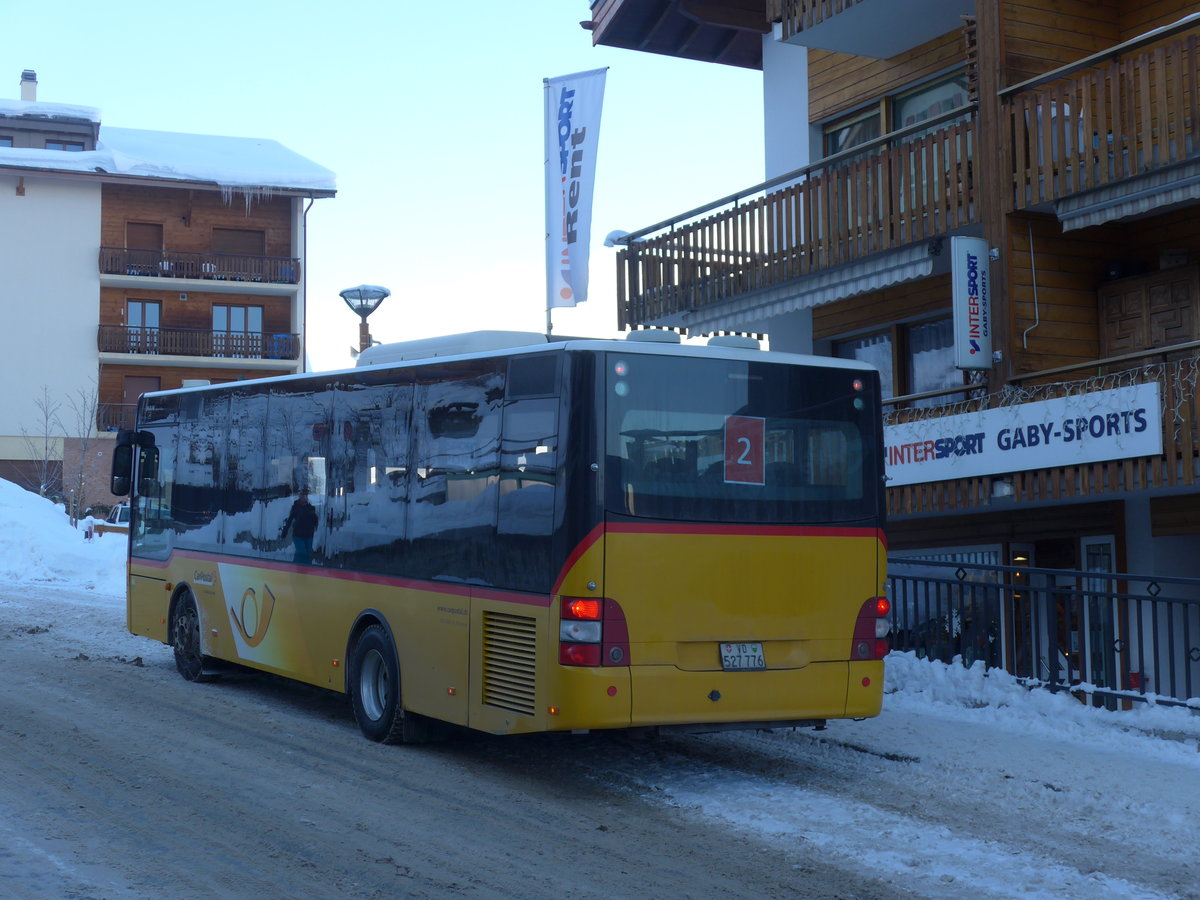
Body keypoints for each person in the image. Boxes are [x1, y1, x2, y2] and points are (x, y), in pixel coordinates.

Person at [280, 489, 318, 564]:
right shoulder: (295, 507)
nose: (304, 497)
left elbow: (315, 521)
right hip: (298, 535)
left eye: (306, 496)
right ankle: (296, 568)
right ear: (300, 496)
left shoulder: (311, 508)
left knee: (308, 555)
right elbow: (289, 520)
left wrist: (314, 519)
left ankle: (307, 569)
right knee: (302, 553)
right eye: (303, 495)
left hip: (309, 536)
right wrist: (284, 532)